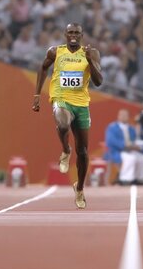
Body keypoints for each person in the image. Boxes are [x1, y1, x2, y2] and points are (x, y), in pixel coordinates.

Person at [32, 23, 103, 209]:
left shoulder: (92, 53)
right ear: (65, 34)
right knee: (62, 123)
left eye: (77, 33)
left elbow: (98, 81)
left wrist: (89, 60)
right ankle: (65, 150)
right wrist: (37, 94)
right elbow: (42, 68)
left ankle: (79, 188)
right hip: (61, 98)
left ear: (82, 35)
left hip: (82, 104)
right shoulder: (55, 52)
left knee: (84, 152)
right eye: (70, 32)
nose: (73, 35)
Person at [104, 108, 143, 185]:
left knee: (142, 158)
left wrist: (135, 145)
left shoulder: (131, 128)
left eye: (126, 115)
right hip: (117, 151)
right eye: (122, 115)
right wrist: (125, 145)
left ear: (128, 117)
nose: (124, 117)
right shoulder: (112, 127)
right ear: (118, 116)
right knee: (130, 158)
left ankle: (138, 178)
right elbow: (111, 141)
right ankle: (125, 179)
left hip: (130, 150)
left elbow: (135, 139)